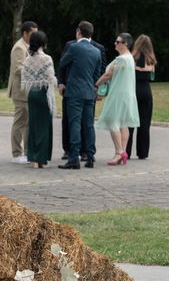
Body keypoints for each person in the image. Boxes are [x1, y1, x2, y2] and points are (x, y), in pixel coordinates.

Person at [58, 21, 102, 170]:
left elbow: (63, 62)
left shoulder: (73, 47)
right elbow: (97, 74)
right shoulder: (97, 51)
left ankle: (74, 158)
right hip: (89, 93)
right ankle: (90, 157)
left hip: (74, 92)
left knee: (75, 124)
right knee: (89, 125)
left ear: (78, 32)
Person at [95, 32, 140, 166]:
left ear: (125, 44)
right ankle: (121, 152)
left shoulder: (122, 59)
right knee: (123, 123)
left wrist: (96, 84)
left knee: (113, 122)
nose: (115, 44)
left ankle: (119, 151)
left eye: (118, 42)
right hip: (128, 94)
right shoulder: (129, 58)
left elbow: (108, 74)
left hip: (119, 94)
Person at [21, 31, 56, 169]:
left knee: (34, 126)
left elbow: (25, 78)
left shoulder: (27, 60)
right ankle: (41, 159)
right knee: (44, 127)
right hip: (43, 94)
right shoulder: (47, 59)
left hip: (31, 94)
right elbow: (50, 77)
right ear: (43, 42)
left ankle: (33, 158)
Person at [7, 20, 38, 164]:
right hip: (20, 91)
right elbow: (18, 69)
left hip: (29, 90)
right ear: (25, 33)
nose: (35, 36)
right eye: (33, 33)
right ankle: (16, 154)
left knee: (29, 123)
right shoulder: (19, 48)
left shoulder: (31, 46)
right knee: (20, 122)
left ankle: (27, 152)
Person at [126, 34, 156, 159]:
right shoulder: (151, 60)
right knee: (145, 123)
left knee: (130, 123)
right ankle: (143, 152)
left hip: (134, 91)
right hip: (146, 92)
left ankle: (126, 151)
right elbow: (152, 77)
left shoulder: (132, 59)